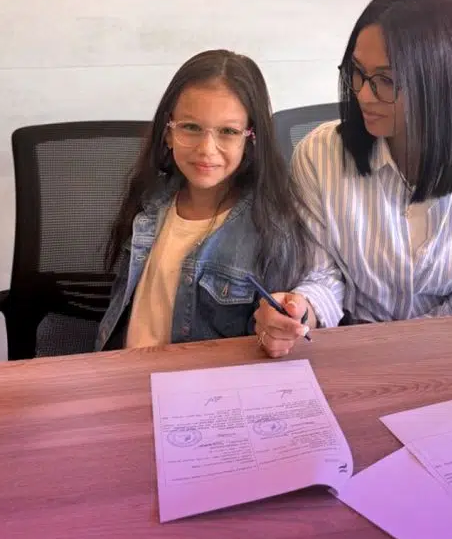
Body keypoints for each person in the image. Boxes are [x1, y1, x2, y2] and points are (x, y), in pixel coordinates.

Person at [254, 0, 452, 357]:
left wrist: (399, 346)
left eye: (385, 80)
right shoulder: (318, 155)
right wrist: (301, 308)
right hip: (354, 353)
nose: (363, 94)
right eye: (357, 72)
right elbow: (322, 275)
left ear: (440, 83)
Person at [95, 49, 312, 351]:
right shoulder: (150, 200)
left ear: (250, 139)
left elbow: (278, 337)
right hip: (126, 368)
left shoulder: (272, 228)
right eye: (191, 127)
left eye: (228, 131)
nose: (207, 149)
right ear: (168, 131)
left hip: (205, 379)